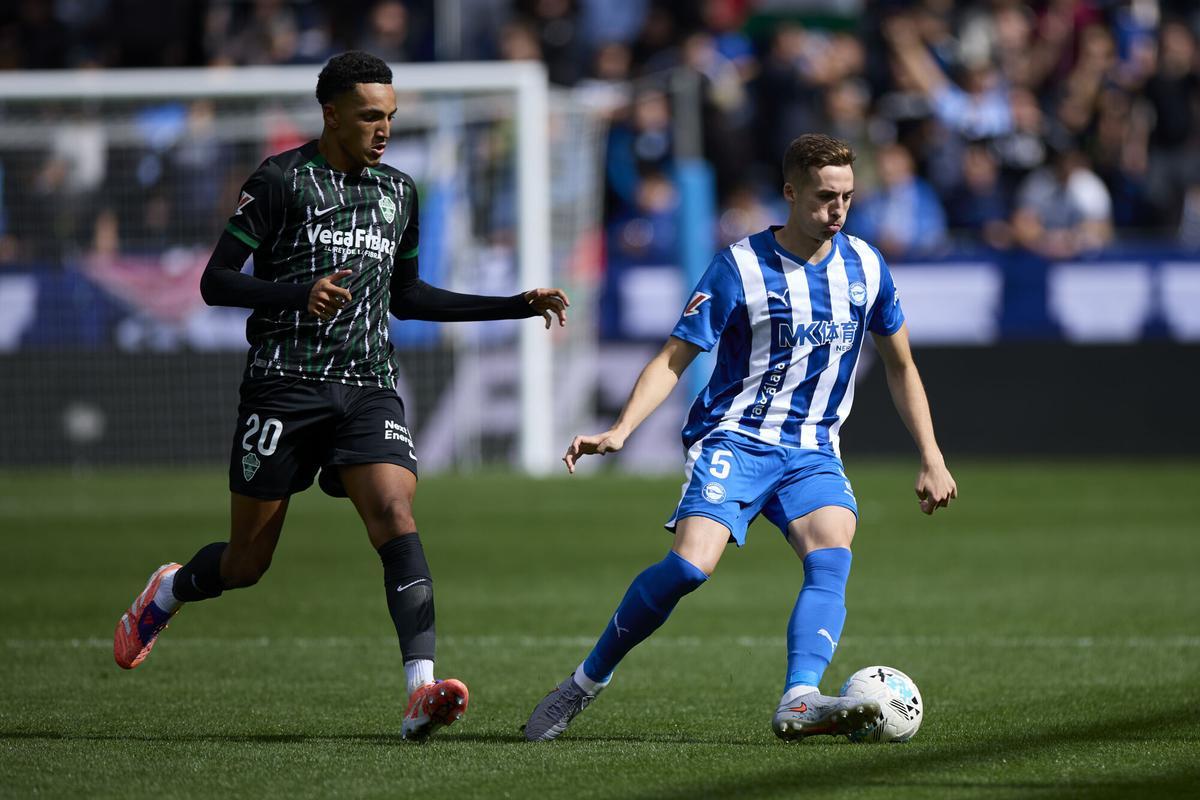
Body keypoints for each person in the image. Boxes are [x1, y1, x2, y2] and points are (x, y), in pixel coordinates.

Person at [112, 51, 570, 742]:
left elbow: (408, 298)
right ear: (331, 114)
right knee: (248, 563)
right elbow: (214, 282)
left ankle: (421, 691)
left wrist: (512, 305)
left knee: (394, 510)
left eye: (390, 116)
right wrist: (300, 292)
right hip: (283, 386)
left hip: (367, 388)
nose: (383, 129)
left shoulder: (399, 192)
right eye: (369, 116)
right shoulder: (280, 182)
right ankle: (169, 591)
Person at [524, 133, 956, 742]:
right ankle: (583, 684)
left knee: (832, 550)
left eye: (848, 197)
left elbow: (901, 364)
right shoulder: (739, 266)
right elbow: (675, 357)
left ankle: (799, 697)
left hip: (812, 449)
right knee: (690, 569)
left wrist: (931, 457)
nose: (837, 210)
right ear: (789, 193)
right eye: (824, 197)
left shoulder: (866, 266)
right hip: (735, 439)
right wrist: (622, 429)